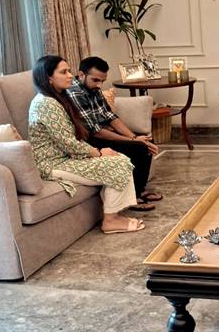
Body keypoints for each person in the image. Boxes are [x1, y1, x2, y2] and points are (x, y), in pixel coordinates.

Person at [28, 55, 145, 234]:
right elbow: (69, 143)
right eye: (64, 72)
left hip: (66, 157)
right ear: (48, 77)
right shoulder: (45, 104)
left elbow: (74, 138)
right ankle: (110, 221)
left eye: (69, 71)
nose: (70, 75)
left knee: (120, 158)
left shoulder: (58, 98)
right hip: (52, 163)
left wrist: (103, 150)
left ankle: (113, 214)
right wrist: (99, 153)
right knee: (119, 164)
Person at [66, 56, 161, 211]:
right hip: (87, 140)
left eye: (102, 81)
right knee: (139, 147)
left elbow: (110, 117)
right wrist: (134, 141)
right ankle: (133, 198)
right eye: (96, 80)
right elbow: (95, 132)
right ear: (81, 75)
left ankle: (140, 189)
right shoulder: (74, 93)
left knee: (146, 141)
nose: (100, 85)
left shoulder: (94, 89)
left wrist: (134, 137)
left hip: (102, 132)